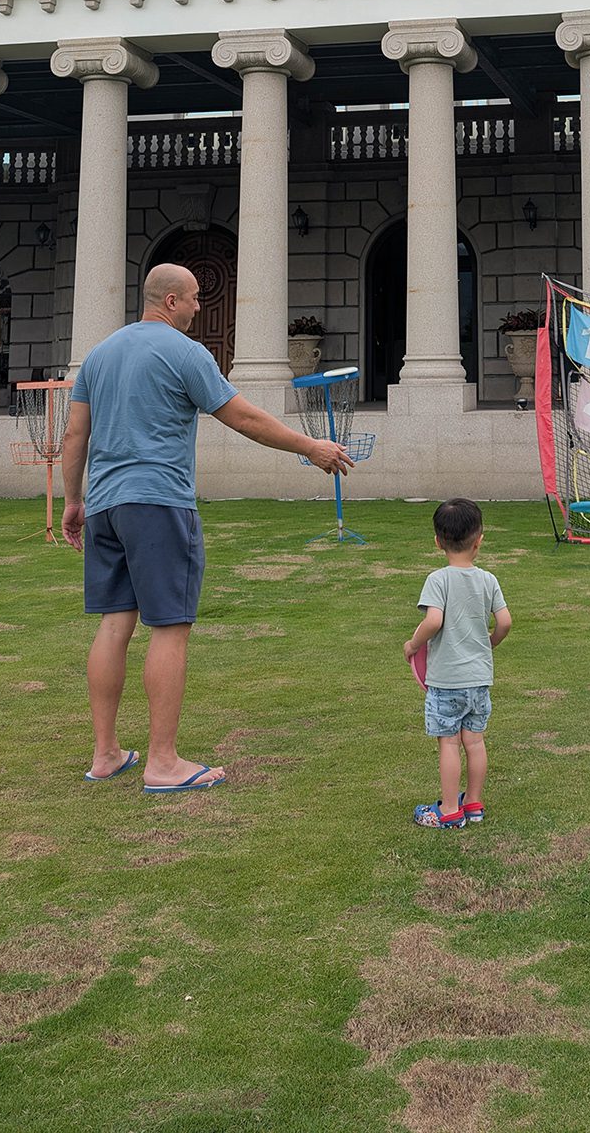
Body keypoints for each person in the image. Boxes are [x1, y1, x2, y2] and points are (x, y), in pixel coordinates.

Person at [59, 262, 351, 793]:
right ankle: (162, 762)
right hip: (158, 505)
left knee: (113, 624)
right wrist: (311, 447)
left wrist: (74, 501)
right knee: (169, 626)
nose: (200, 307)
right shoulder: (185, 352)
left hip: (104, 505)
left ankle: (105, 755)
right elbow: (243, 418)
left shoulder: (98, 356)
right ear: (170, 301)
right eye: (194, 298)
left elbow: (75, 435)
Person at [403, 497, 511, 829]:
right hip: (479, 679)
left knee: (449, 743)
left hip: (447, 681)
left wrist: (412, 644)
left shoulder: (438, 580)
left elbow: (433, 621)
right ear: (479, 539)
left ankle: (449, 810)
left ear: (437, 541)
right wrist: (488, 644)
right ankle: (474, 804)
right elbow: (505, 622)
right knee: (475, 741)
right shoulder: (488, 580)